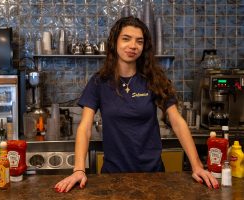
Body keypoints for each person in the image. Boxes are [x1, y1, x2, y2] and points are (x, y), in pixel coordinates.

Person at [54, 16, 218, 192]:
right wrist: (79, 169)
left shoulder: (155, 79)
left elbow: (177, 121)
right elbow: (85, 127)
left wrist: (197, 166)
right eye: (126, 39)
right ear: (114, 42)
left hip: (152, 174)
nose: (133, 45)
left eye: (139, 41)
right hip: (113, 176)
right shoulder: (99, 82)